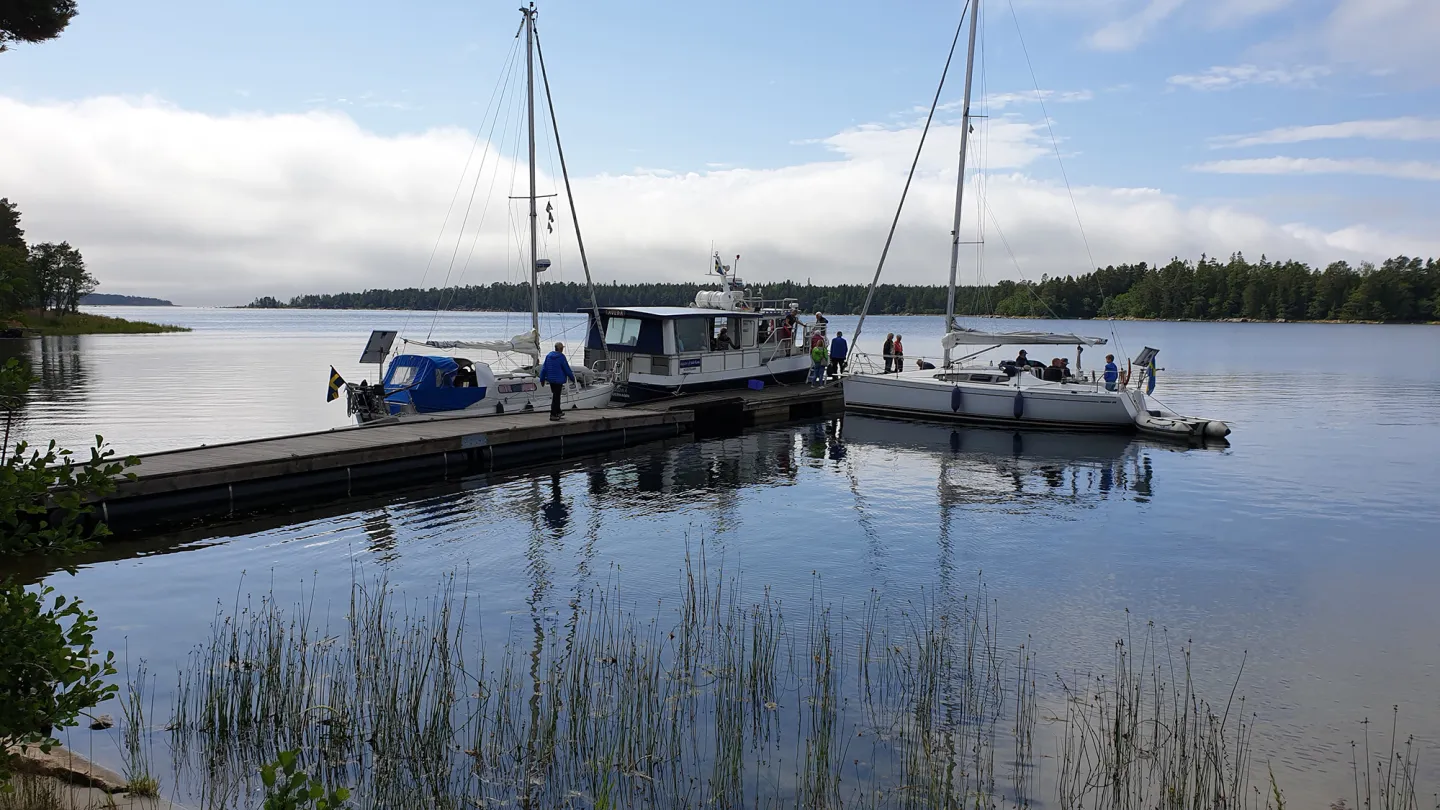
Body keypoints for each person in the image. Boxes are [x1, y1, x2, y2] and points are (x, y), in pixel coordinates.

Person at [539, 341, 575, 421]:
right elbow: (566, 369)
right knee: (556, 397)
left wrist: (542, 379)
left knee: (556, 395)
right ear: (561, 349)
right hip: (558, 380)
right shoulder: (561, 357)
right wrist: (572, 378)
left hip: (551, 380)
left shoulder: (548, 356)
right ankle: (553, 414)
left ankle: (558, 411)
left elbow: (544, 368)